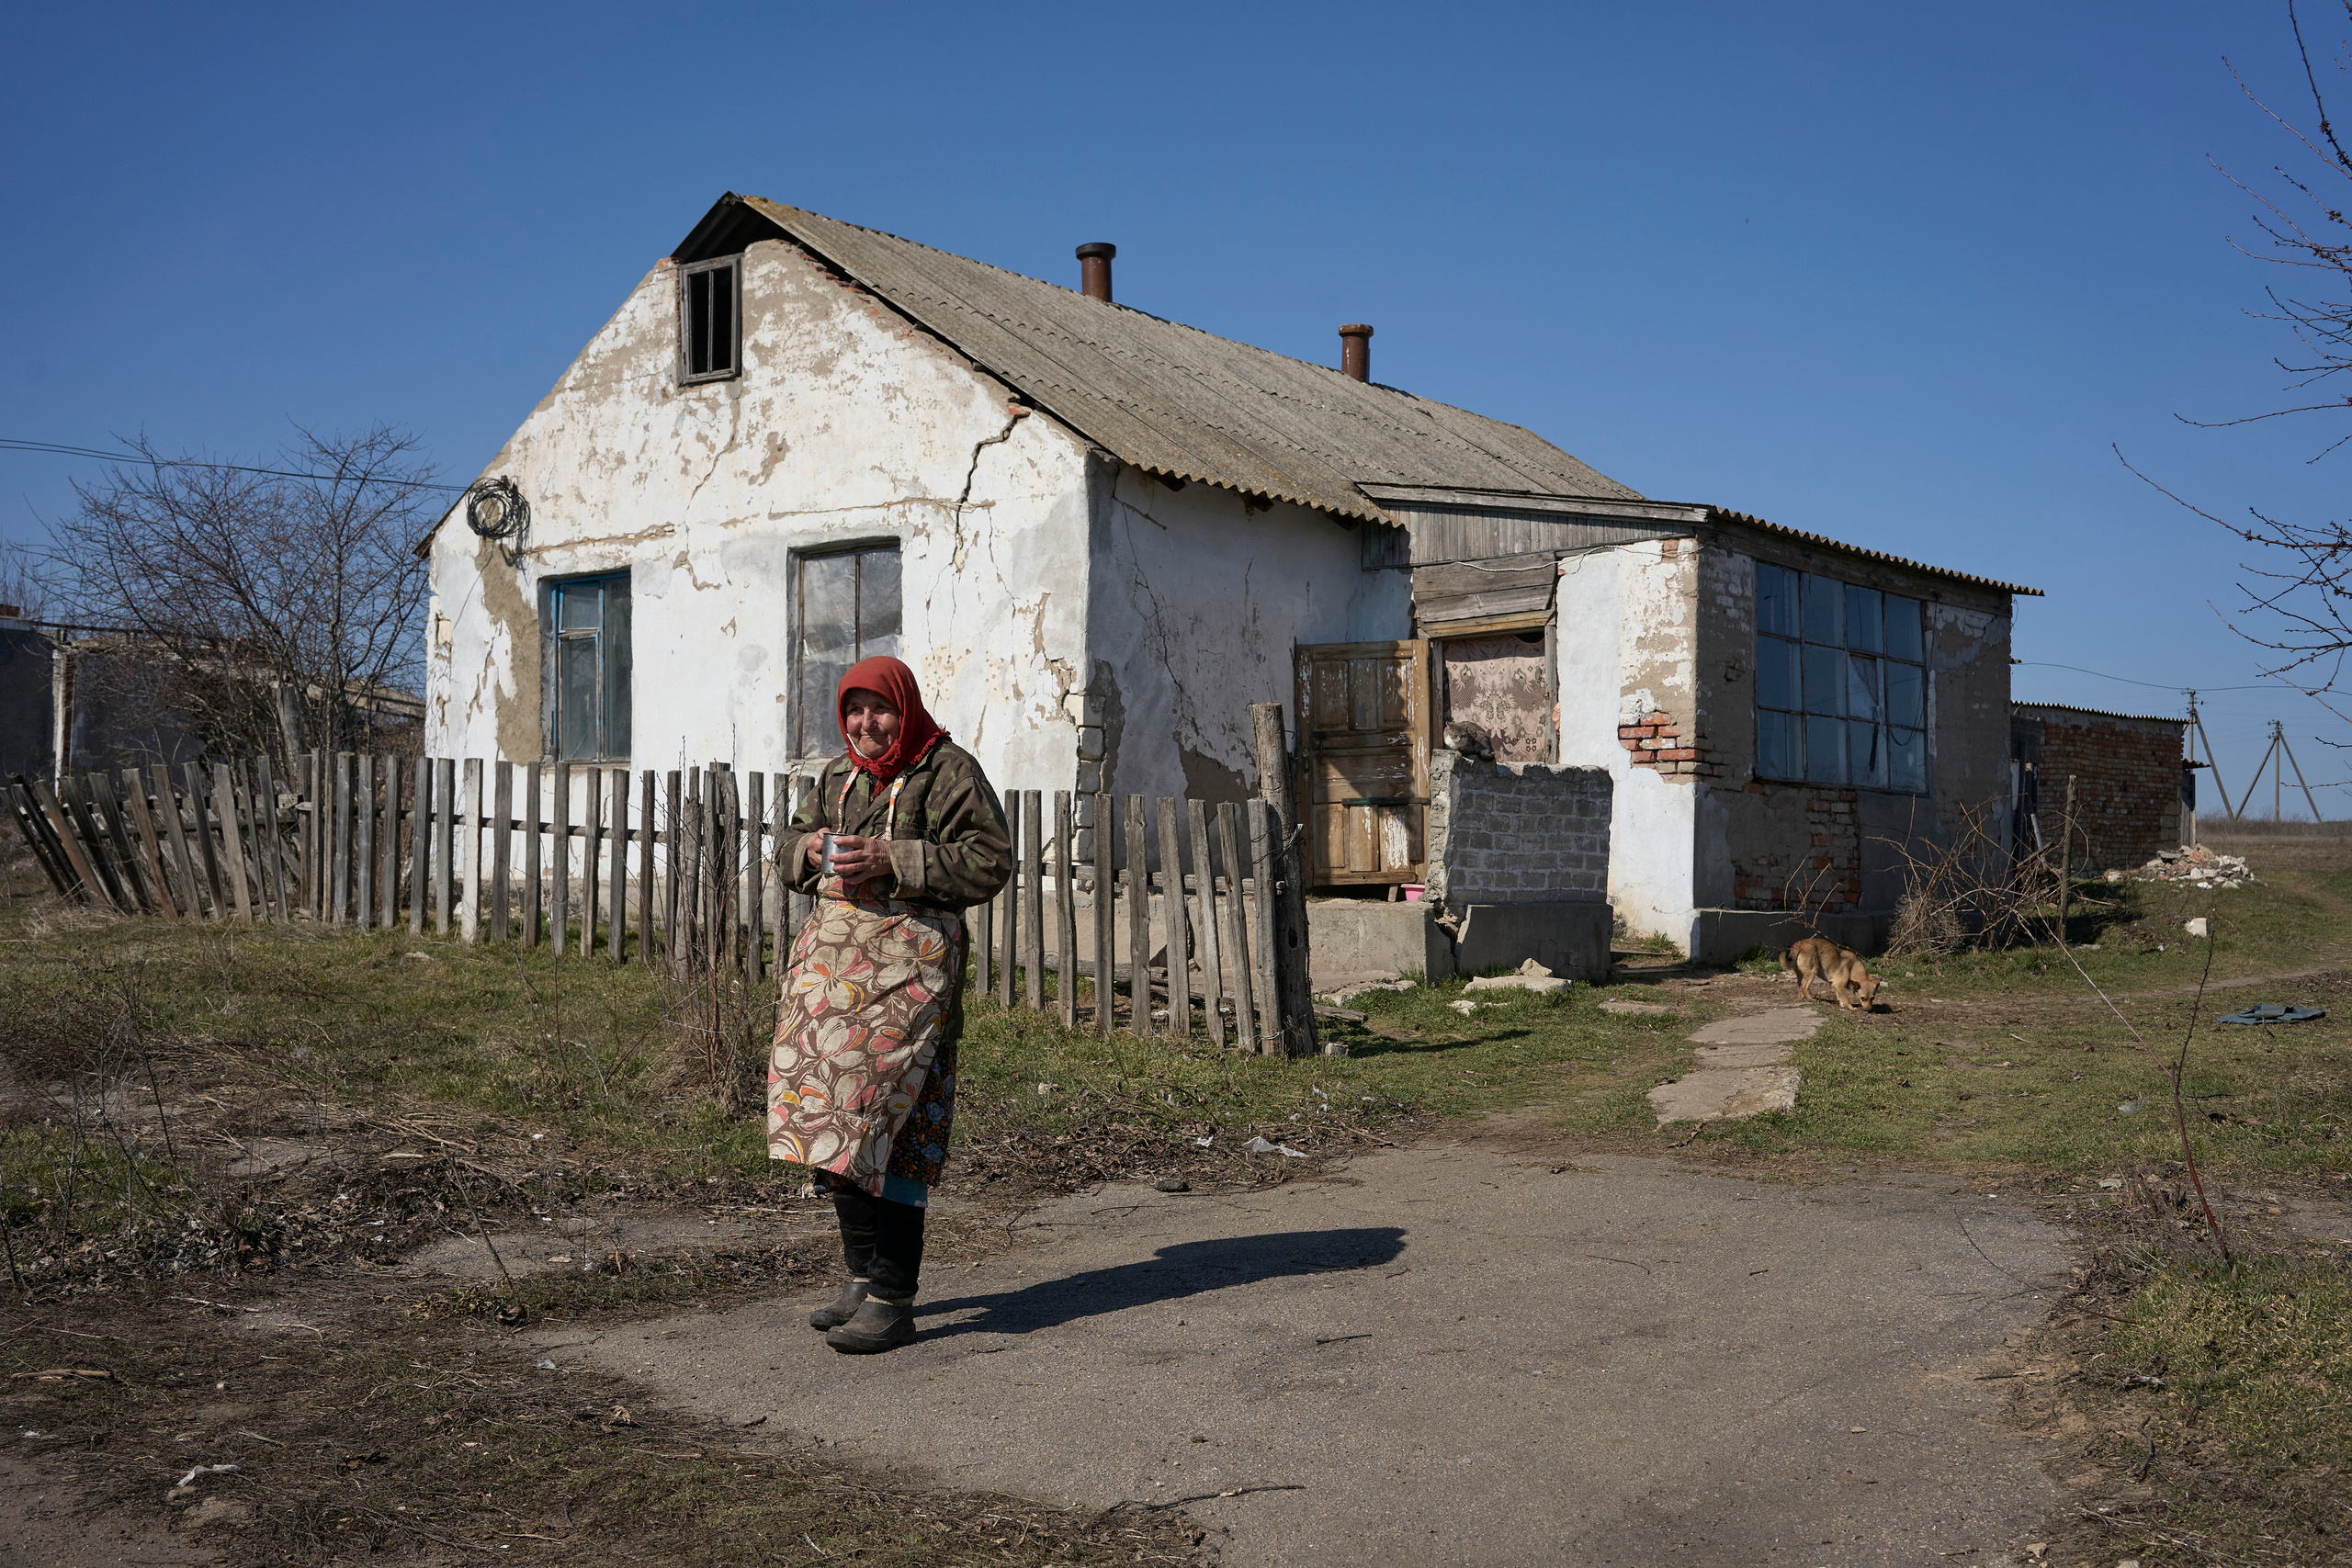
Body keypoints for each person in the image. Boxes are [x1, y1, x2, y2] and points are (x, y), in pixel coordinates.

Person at [770, 656, 1012, 1353]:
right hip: (837, 974)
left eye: (881, 709)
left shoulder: (948, 772)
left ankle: (893, 1295)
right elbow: (786, 844)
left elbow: (993, 859)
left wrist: (896, 860)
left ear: (905, 709)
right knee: (835, 1115)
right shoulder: (836, 777)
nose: (866, 723)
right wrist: (808, 847)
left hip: (913, 981)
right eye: (855, 710)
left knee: (896, 1128)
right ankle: (859, 1276)